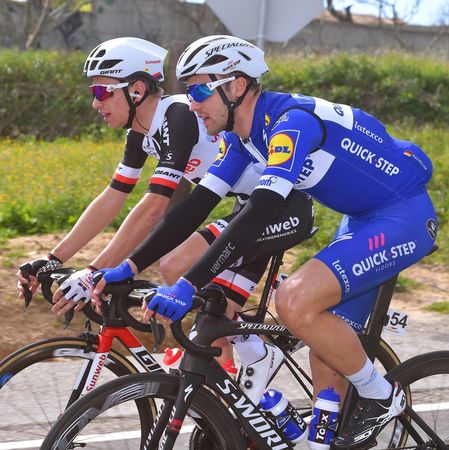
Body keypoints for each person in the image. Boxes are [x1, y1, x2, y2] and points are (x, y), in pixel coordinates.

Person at [94, 35, 437, 447]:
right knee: (324, 345)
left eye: (199, 91)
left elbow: (257, 213)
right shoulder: (241, 137)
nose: (193, 104)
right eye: (188, 92)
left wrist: (187, 284)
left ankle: (381, 396)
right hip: (361, 219)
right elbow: (196, 206)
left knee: (294, 301)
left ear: (237, 86)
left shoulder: (291, 124)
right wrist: (129, 265)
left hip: (402, 216)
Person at [16, 36, 315, 403]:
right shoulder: (141, 136)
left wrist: (94, 271)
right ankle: (227, 388)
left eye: (102, 91)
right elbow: (111, 199)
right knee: (203, 300)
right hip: (245, 206)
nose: (95, 103)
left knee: (177, 265)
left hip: (278, 206)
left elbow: (155, 208)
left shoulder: (178, 116)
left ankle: (249, 361)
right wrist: (54, 258)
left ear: (137, 90)